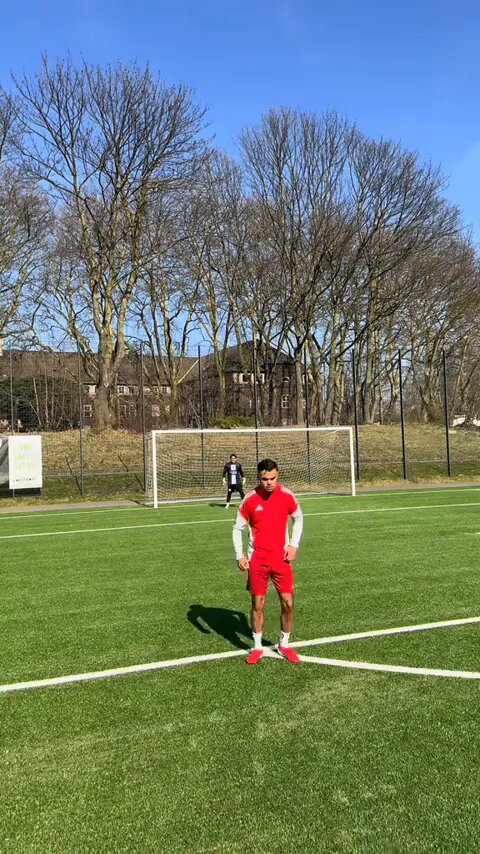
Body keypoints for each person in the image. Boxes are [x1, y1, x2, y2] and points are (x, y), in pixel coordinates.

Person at [232, 458, 303, 665]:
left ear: (277, 475)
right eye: (264, 479)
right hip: (258, 561)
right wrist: (240, 555)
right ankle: (257, 647)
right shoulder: (250, 500)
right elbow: (237, 528)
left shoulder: (287, 495)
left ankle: (284, 644)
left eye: (272, 478)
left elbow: (298, 517)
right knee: (257, 604)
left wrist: (293, 545)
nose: (269, 482)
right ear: (258, 478)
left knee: (288, 603)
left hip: (281, 559)